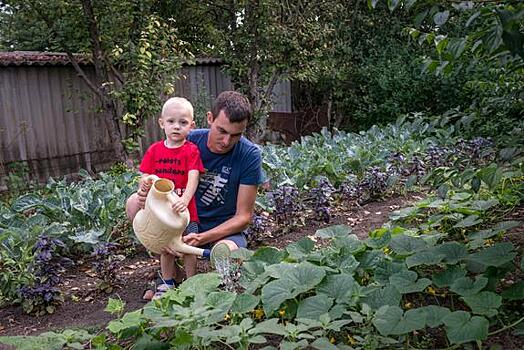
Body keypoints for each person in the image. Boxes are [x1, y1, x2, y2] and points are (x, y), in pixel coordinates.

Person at [128, 90, 263, 299]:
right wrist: (146, 192)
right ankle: (170, 275)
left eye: (236, 135)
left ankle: (209, 285)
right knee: (134, 203)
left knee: (227, 253)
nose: (227, 141)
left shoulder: (249, 155)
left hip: (220, 231)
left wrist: (202, 238)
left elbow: (243, 217)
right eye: (222, 131)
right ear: (210, 118)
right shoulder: (187, 141)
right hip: (182, 222)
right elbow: (156, 178)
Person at [126, 97, 204, 300]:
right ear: (162, 123)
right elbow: (145, 176)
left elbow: (193, 176)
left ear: (192, 126)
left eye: (183, 122)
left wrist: (185, 199)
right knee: (166, 249)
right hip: (161, 215)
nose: (176, 127)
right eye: (171, 121)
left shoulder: (191, 150)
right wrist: (143, 186)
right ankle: (167, 283)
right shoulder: (154, 150)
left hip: (184, 213)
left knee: (188, 247)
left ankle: (192, 281)